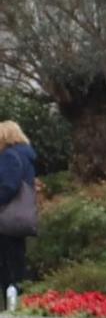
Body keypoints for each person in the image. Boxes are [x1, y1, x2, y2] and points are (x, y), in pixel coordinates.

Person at [0, 120, 37, 294]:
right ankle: (17, 296)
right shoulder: (25, 155)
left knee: (8, 263)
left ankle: (11, 298)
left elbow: (8, 186)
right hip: (19, 217)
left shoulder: (9, 156)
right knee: (16, 259)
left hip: (7, 216)